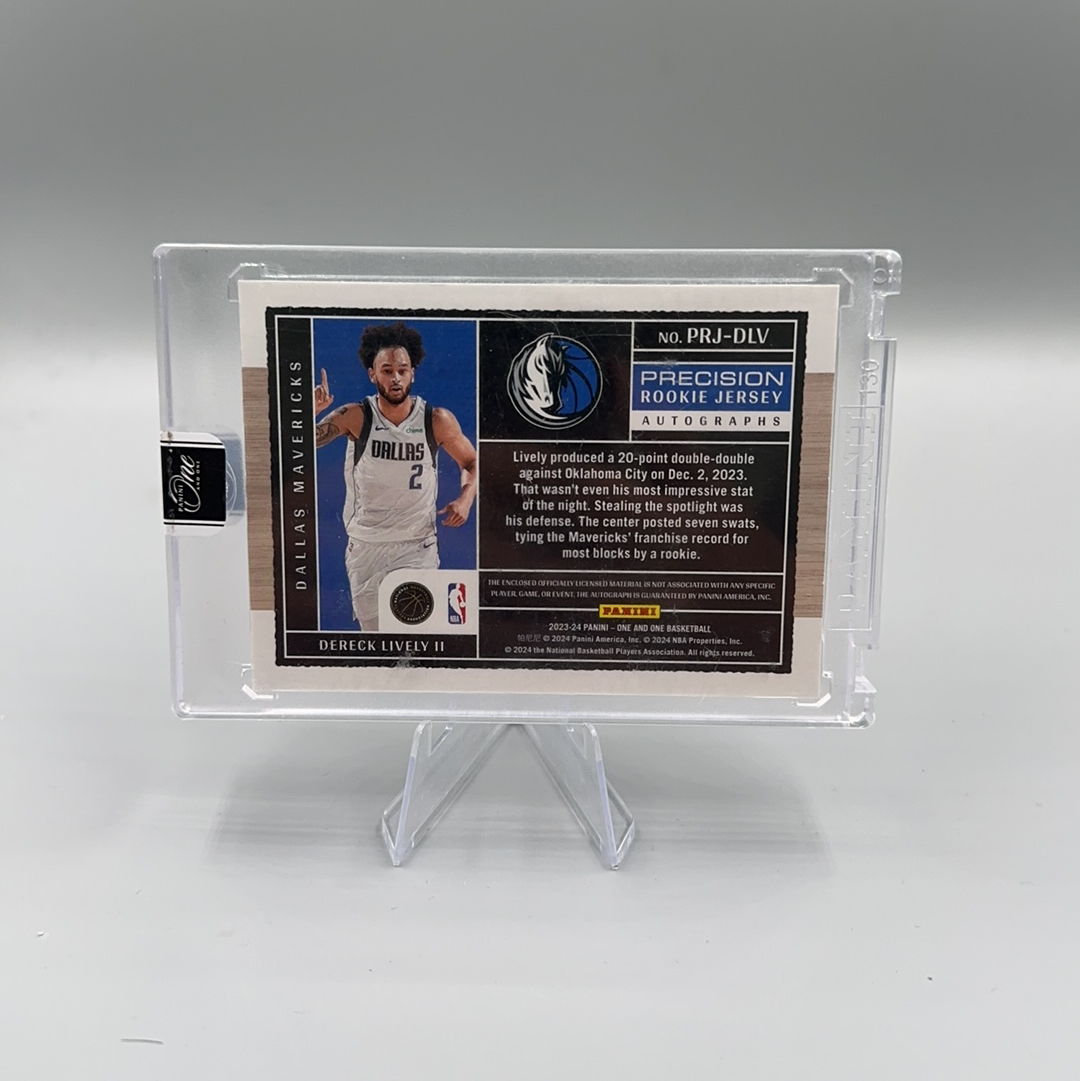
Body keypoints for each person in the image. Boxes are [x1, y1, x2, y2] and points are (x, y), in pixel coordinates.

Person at [313, 322, 477, 631]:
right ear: (372, 375)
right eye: (387, 371)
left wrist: (466, 499)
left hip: (416, 546)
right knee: (378, 645)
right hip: (366, 546)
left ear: (413, 373)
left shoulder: (436, 420)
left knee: (416, 639)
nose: (396, 378)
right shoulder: (356, 416)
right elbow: (298, 443)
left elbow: (471, 461)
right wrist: (309, 410)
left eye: (402, 370)